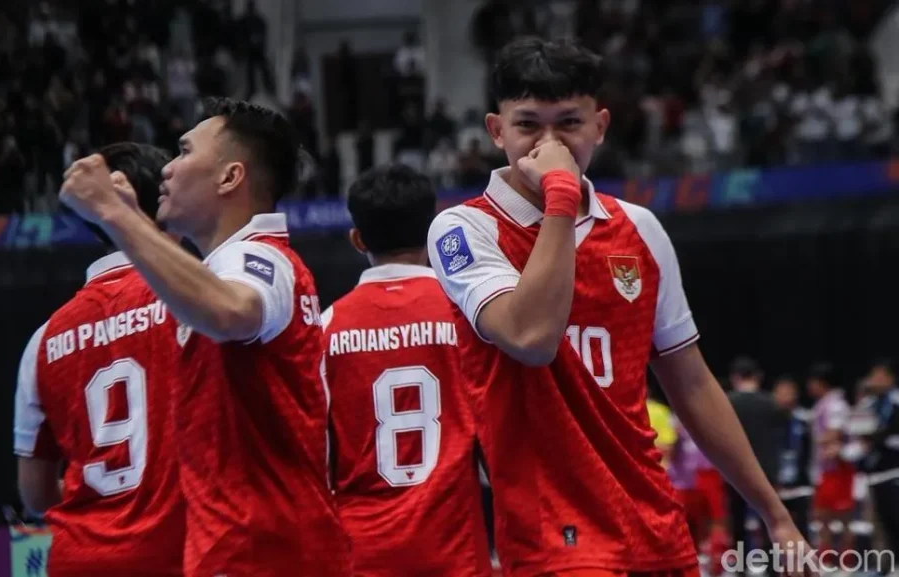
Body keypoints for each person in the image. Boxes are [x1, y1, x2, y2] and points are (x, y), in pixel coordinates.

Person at [425, 36, 809, 577]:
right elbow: (531, 337)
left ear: (601, 126)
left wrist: (775, 514)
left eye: (569, 123)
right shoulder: (464, 229)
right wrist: (561, 192)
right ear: (496, 130)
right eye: (529, 123)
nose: (550, 142)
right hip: (551, 532)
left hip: (653, 520)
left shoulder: (640, 230)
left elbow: (692, 385)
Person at [59, 97, 351, 577]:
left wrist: (114, 214)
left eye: (183, 151)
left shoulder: (261, 260)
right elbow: (201, 290)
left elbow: (229, 309)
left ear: (230, 178)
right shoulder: (232, 263)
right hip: (254, 550)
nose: (167, 170)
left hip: (263, 557)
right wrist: (136, 220)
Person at [14, 143, 186, 577]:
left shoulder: (44, 338)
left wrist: (99, 495)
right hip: (176, 555)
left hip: (79, 560)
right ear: (164, 207)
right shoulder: (194, 302)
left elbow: (34, 495)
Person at [321, 164, 493, 576]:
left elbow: (317, 459)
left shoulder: (325, 328)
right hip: (454, 551)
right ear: (431, 227)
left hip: (362, 553)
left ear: (357, 238)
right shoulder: (467, 317)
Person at [725, 358, 788, 572]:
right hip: (768, 470)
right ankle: (772, 569)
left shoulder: (726, 402)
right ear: (758, 377)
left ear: (735, 377)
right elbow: (784, 439)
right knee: (770, 520)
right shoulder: (772, 403)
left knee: (738, 520)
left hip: (735, 471)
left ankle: (741, 569)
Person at [850, 360, 899, 565]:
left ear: (891, 378)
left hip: (895, 470)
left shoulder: (896, 401)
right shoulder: (869, 403)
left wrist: (876, 437)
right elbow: (857, 431)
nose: (875, 381)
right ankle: (888, 564)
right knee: (880, 523)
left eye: (880, 377)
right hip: (874, 472)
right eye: (873, 377)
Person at [806, 362, 854, 553]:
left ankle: (847, 559)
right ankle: (825, 557)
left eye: (812, 382)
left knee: (843, 517)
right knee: (821, 516)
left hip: (837, 468)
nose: (809, 386)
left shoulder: (836, 404)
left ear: (822, 382)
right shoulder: (822, 403)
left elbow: (835, 432)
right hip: (824, 468)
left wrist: (816, 439)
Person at [773, 375, 814, 542]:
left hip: (801, 481)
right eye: (781, 393)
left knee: (803, 525)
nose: (785, 397)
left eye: (788, 393)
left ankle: (806, 564)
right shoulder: (770, 420)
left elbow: (812, 451)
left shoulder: (805, 419)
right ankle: (774, 566)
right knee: (776, 526)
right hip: (776, 481)